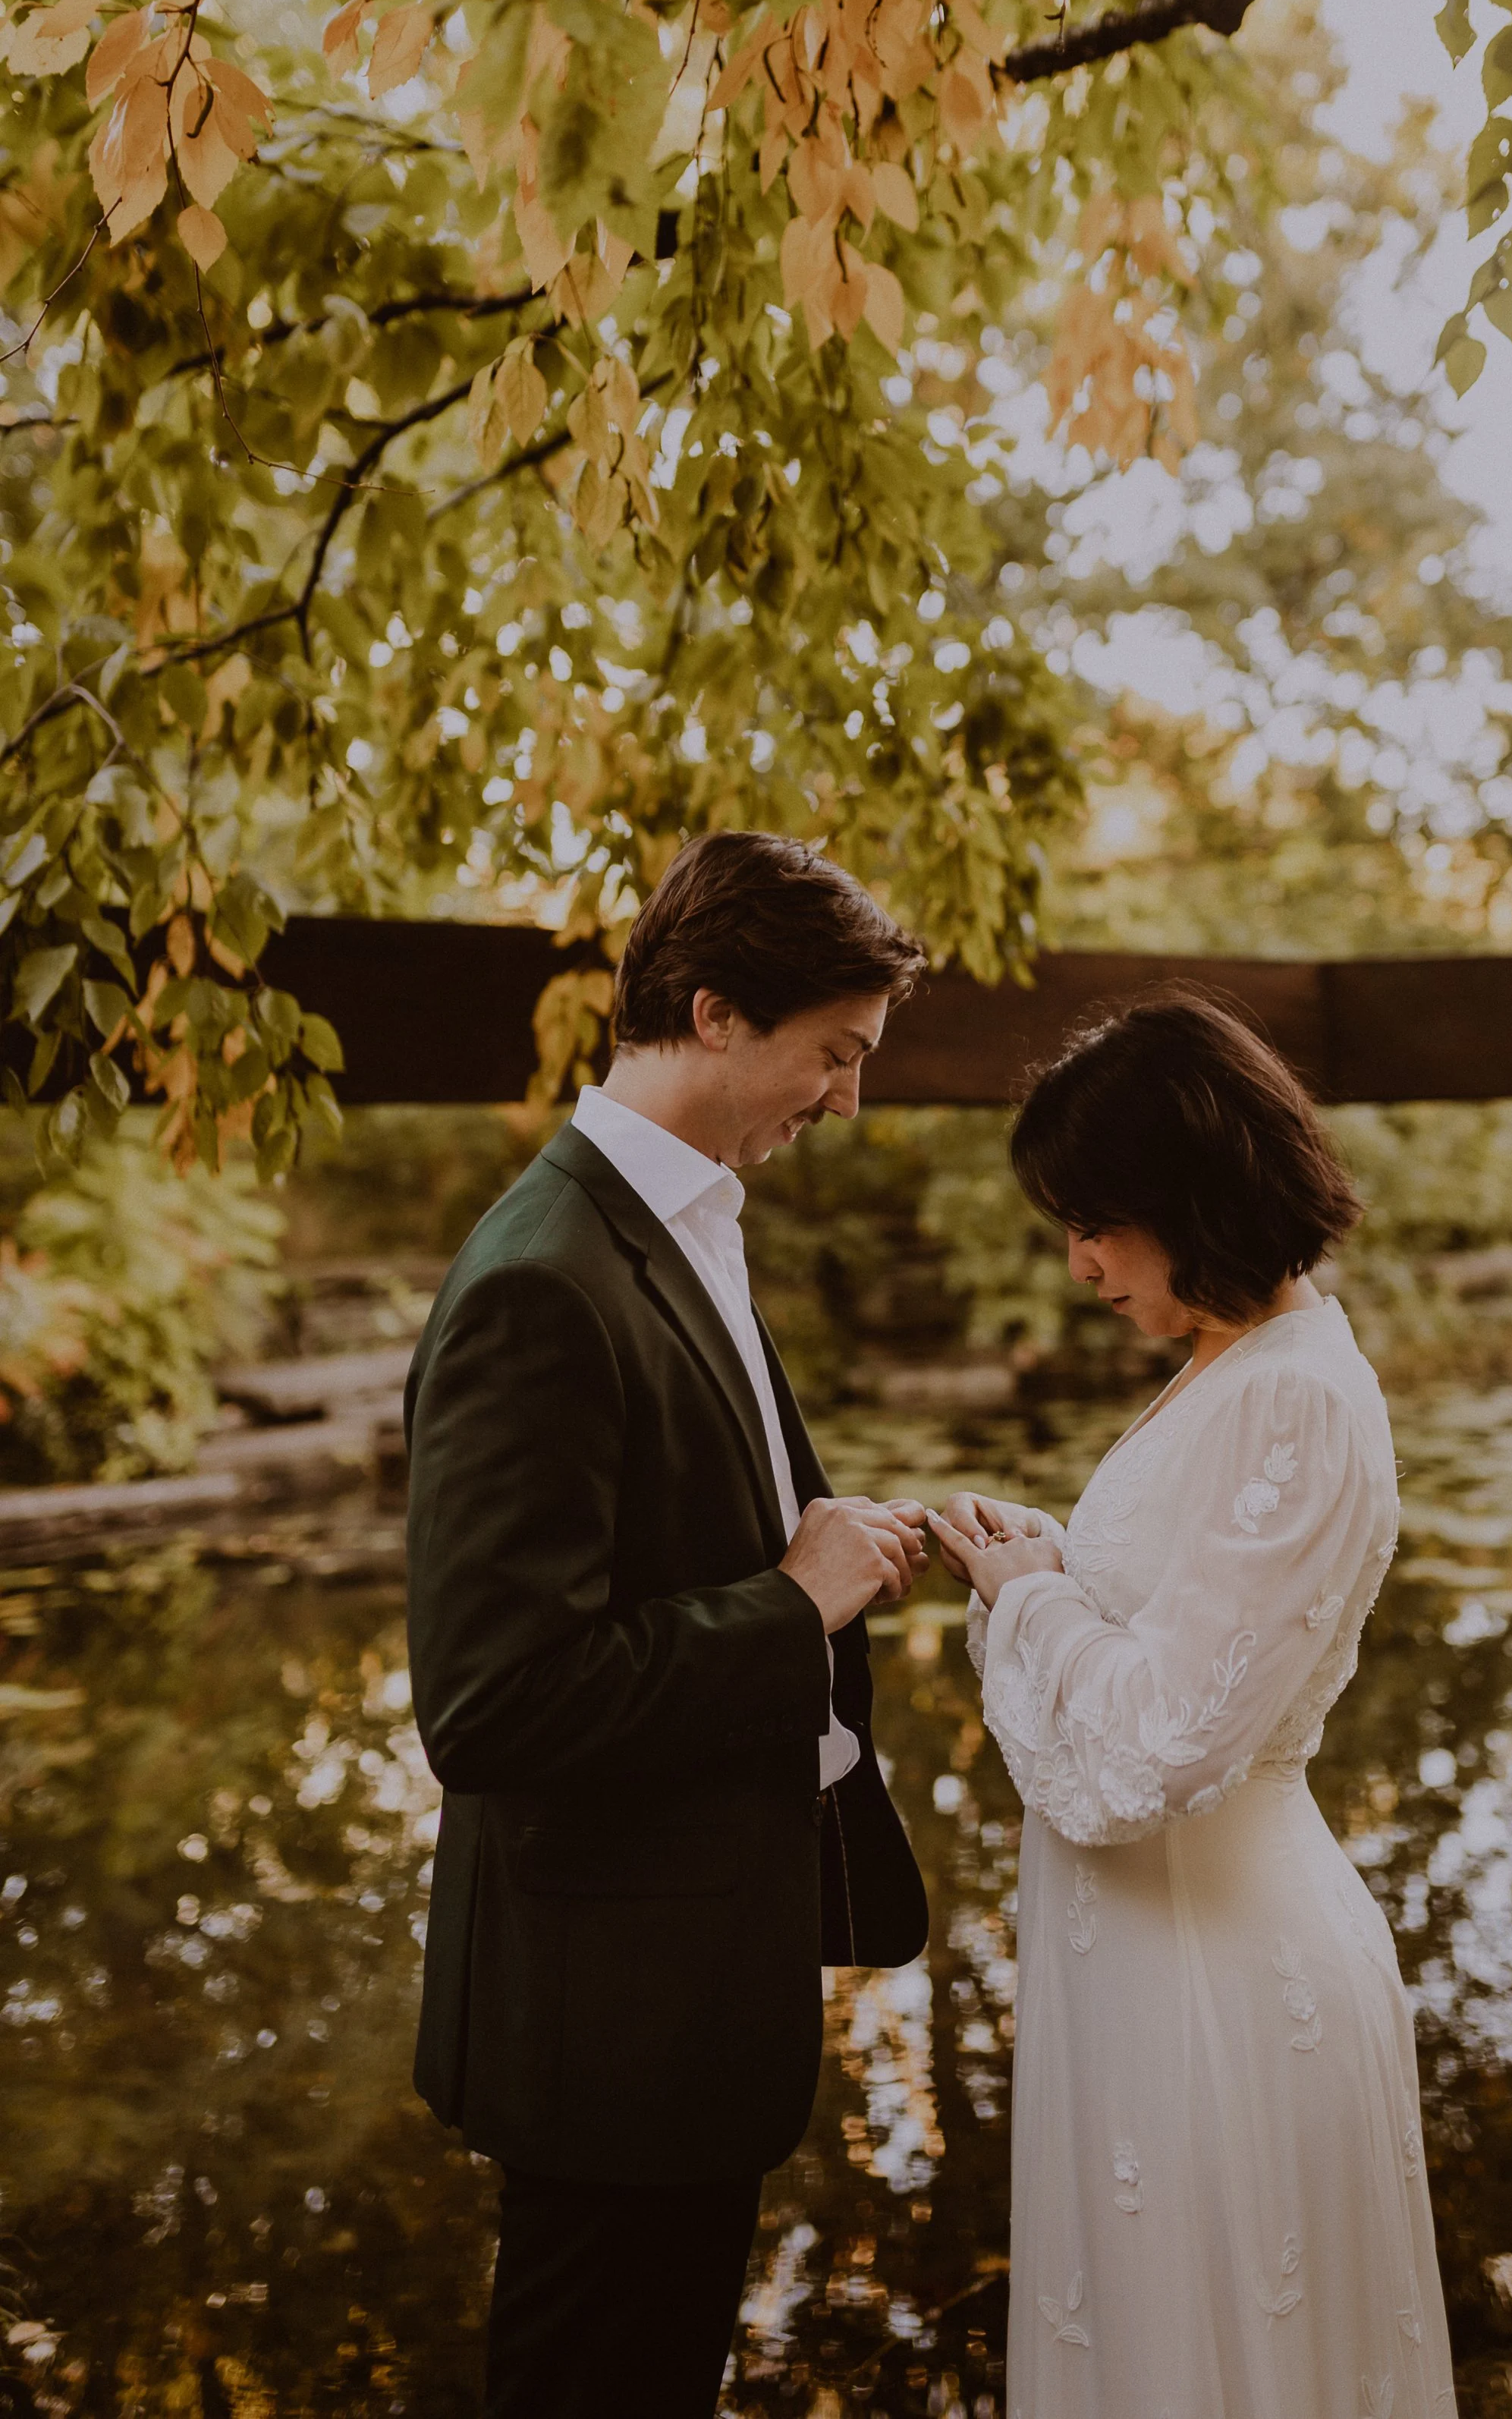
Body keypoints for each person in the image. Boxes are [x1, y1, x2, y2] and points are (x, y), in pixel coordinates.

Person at [403, 832, 934, 2419]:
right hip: (606, 2017)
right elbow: (495, 1707)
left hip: (686, 1979)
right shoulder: (541, 1281)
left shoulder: (679, 1224)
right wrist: (794, 1603)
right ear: (713, 1015)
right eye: (834, 1054)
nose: (847, 1099)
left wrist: (836, 1546)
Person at [929, 990, 1457, 2417]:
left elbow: (1153, 1749)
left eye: (1096, 1218)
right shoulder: (1225, 1367)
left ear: (1188, 1189)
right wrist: (1039, 1564)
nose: (1080, 1259)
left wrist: (1029, 1598)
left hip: (1221, 1986)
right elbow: (1175, 1633)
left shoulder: (1297, 1396)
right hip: (1148, 1967)